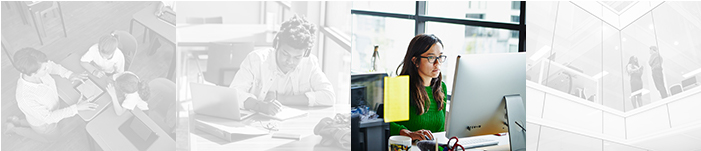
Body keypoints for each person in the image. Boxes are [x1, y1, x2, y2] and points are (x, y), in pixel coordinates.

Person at [229, 15, 335, 115]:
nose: (290, 61)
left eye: (297, 57)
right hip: (256, 121)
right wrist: (261, 106)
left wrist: (281, 98)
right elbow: (234, 94)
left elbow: (329, 96)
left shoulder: (309, 63)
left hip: (293, 123)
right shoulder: (256, 59)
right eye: (285, 54)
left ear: (305, 53)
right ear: (277, 45)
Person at [7, 48, 98, 142]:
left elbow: (52, 66)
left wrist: (69, 74)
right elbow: (49, 118)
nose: (48, 68)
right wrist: (76, 108)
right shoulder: (25, 98)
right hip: (44, 125)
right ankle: (14, 129)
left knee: (32, 121)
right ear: (33, 74)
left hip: (43, 114)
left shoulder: (35, 67)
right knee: (52, 139)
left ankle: (18, 122)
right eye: (44, 68)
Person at [390, 34, 448, 142]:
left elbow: (439, 133)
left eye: (440, 57)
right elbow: (387, 126)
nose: (437, 63)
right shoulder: (399, 86)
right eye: (431, 57)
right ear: (415, 61)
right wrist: (409, 134)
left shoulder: (441, 87)